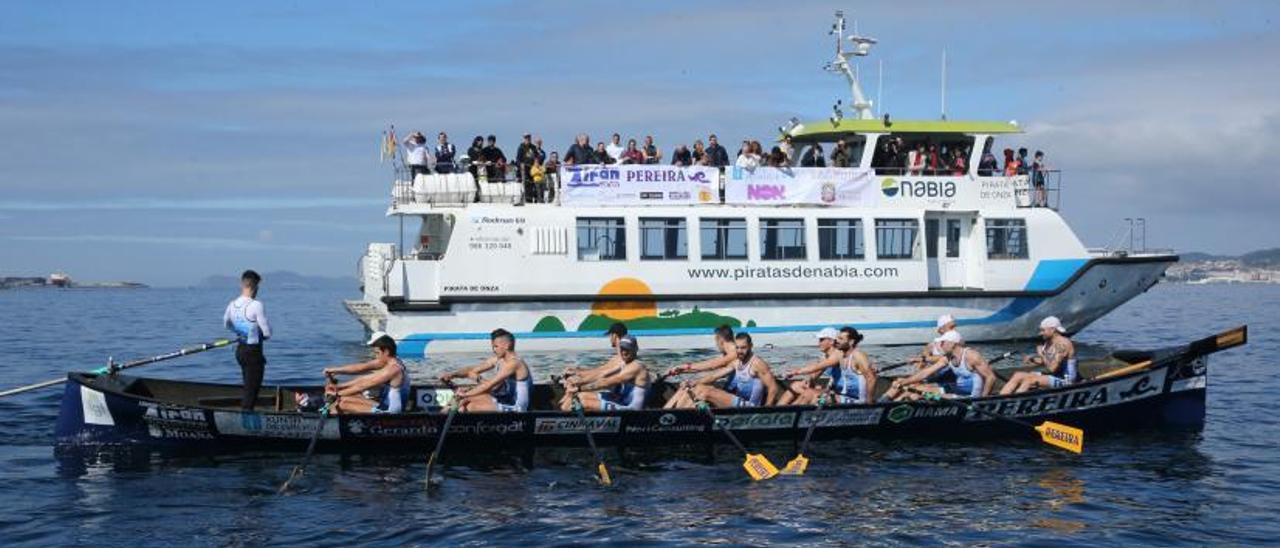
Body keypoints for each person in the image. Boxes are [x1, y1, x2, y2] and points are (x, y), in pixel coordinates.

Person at [673, 333, 780, 409]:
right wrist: (693, 383)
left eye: (743, 348)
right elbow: (713, 377)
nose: (739, 351)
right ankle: (676, 416)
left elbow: (773, 387)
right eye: (737, 348)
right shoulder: (736, 362)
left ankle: (682, 421)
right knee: (698, 388)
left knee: (707, 392)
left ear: (751, 346)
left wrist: (767, 409)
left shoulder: (758, 364)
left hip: (750, 407)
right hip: (738, 401)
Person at [440, 329, 534, 412]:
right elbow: (472, 370)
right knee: (464, 403)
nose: (493, 350)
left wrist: (464, 395)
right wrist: (453, 375)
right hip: (504, 400)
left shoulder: (514, 363)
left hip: (516, 408)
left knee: (466, 401)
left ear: (507, 345)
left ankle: (439, 421)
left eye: (496, 346)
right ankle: (443, 418)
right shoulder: (498, 360)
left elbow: (490, 385)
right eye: (493, 347)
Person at [884, 330, 996, 400]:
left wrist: (983, 399)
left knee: (916, 394)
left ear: (952, 343)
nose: (940, 345)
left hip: (970, 397)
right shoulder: (947, 358)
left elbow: (991, 377)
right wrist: (904, 382)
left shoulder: (972, 356)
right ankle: (884, 404)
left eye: (943, 342)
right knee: (914, 388)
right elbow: (925, 373)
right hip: (955, 390)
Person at [322, 332, 410, 414]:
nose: (376, 356)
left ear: (386, 352)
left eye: (377, 353)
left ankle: (336, 424)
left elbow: (363, 385)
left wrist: (336, 394)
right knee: (344, 398)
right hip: (384, 405)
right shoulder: (390, 362)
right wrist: (336, 378)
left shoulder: (393, 369)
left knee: (342, 404)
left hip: (390, 412)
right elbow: (361, 371)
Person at [563, 335, 650, 411]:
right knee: (580, 396)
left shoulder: (637, 366)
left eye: (627, 349)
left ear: (636, 349)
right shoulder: (624, 364)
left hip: (631, 410)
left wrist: (580, 388)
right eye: (622, 348)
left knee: (584, 402)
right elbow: (602, 374)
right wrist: (577, 380)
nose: (624, 352)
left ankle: (563, 424)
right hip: (620, 400)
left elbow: (607, 382)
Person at [224, 270, 271, 410]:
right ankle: (246, 422)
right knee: (252, 390)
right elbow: (267, 333)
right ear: (255, 286)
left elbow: (226, 324)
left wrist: (241, 331)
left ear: (242, 284)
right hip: (253, 352)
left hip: (240, 350)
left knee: (247, 385)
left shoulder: (232, 304)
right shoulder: (256, 305)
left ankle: (246, 412)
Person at [662, 324, 739, 409]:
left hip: (735, 397)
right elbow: (705, 367)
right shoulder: (729, 354)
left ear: (720, 340)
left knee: (695, 388)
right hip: (729, 393)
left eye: (716, 342)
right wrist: (680, 370)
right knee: (686, 388)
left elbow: (711, 366)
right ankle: (665, 412)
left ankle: (676, 415)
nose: (716, 345)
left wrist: (684, 368)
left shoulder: (735, 353)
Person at [1001, 316, 1078, 394]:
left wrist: (1041, 354)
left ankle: (1016, 400)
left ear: (1053, 329)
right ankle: (1001, 398)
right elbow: (1046, 361)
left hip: (1066, 380)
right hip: (1055, 375)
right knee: (1018, 375)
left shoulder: (1063, 344)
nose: (1040, 333)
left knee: (1029, 380)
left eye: (1043, 330)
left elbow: (1052, 368)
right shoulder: (1048, 343)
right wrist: (1032, 360)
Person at [776, 328, 843, 405]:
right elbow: (815, 373)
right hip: (830, 390)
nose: (818, 343)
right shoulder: (826, 356)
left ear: (831, 341)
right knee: (796, 385)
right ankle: (777, 411)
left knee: (809, 393)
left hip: (839, 394)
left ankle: (789, 412)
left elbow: (815, 367)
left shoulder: (837, 354)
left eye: (821, 340)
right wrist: (808, 380)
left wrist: (796, 372)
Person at [516, 133, 542, 203]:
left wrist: (536, 161)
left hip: (533, 169)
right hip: (524, 169)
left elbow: (537, 156)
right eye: (526, 137)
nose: (527, 139)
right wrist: (520, 165)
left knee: (535, 185)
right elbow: (518, 159)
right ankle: (528, 200)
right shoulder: (521, 147)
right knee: (527, 185)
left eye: (529, 137)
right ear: (524, 138)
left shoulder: (533, 147)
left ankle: (536, 200)